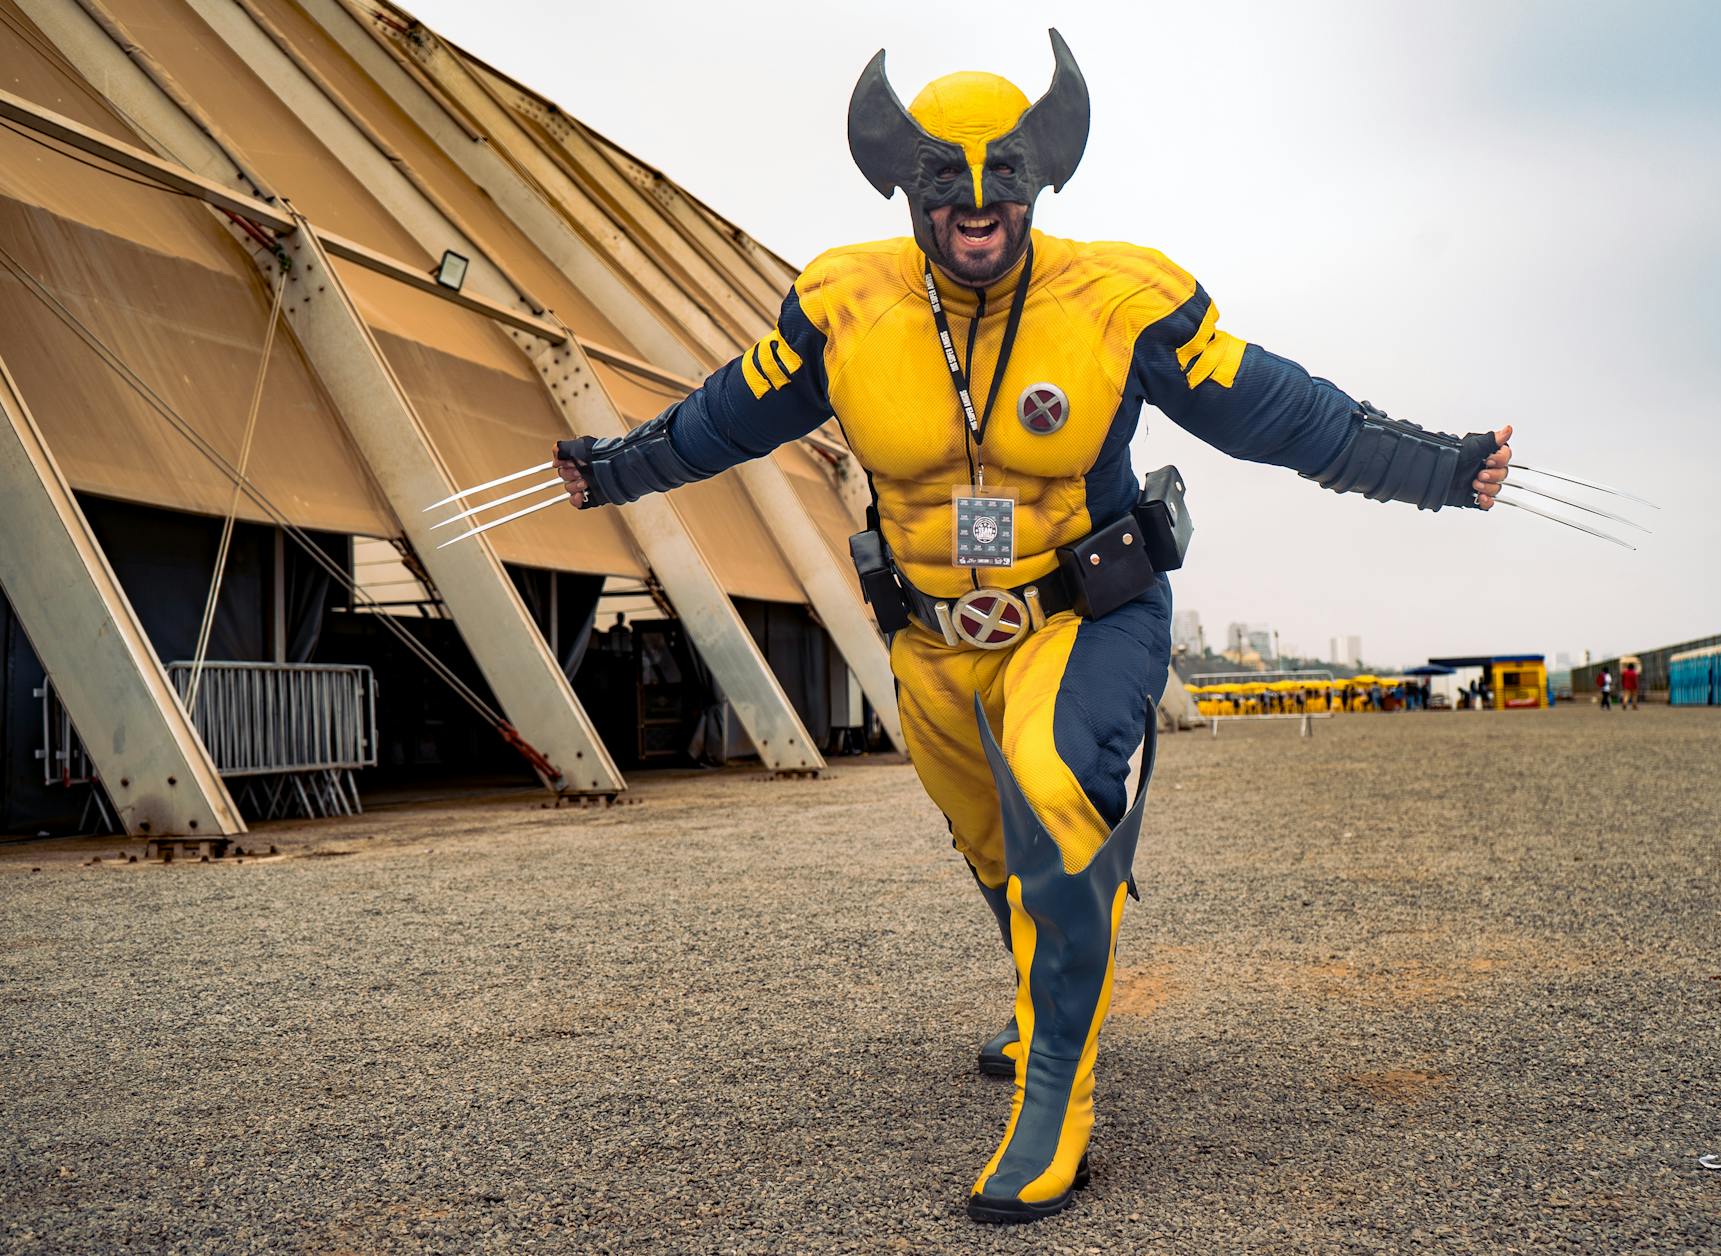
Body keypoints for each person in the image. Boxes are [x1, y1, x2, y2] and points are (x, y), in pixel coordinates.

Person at [548, 31, 1511, 1223]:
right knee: (997, 847)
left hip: (1082, 614)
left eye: (1000, 177)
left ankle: (1057, 1102)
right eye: (945, 183)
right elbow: (722, 417)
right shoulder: (840, 304)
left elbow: (1281, 412)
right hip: (931, 641)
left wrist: (1439, 467)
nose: (974, 208)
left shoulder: (1119, 298)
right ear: (908, 188)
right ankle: (1041, 980)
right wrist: (610, 470)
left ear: (1038, 179)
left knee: (1054, 798)